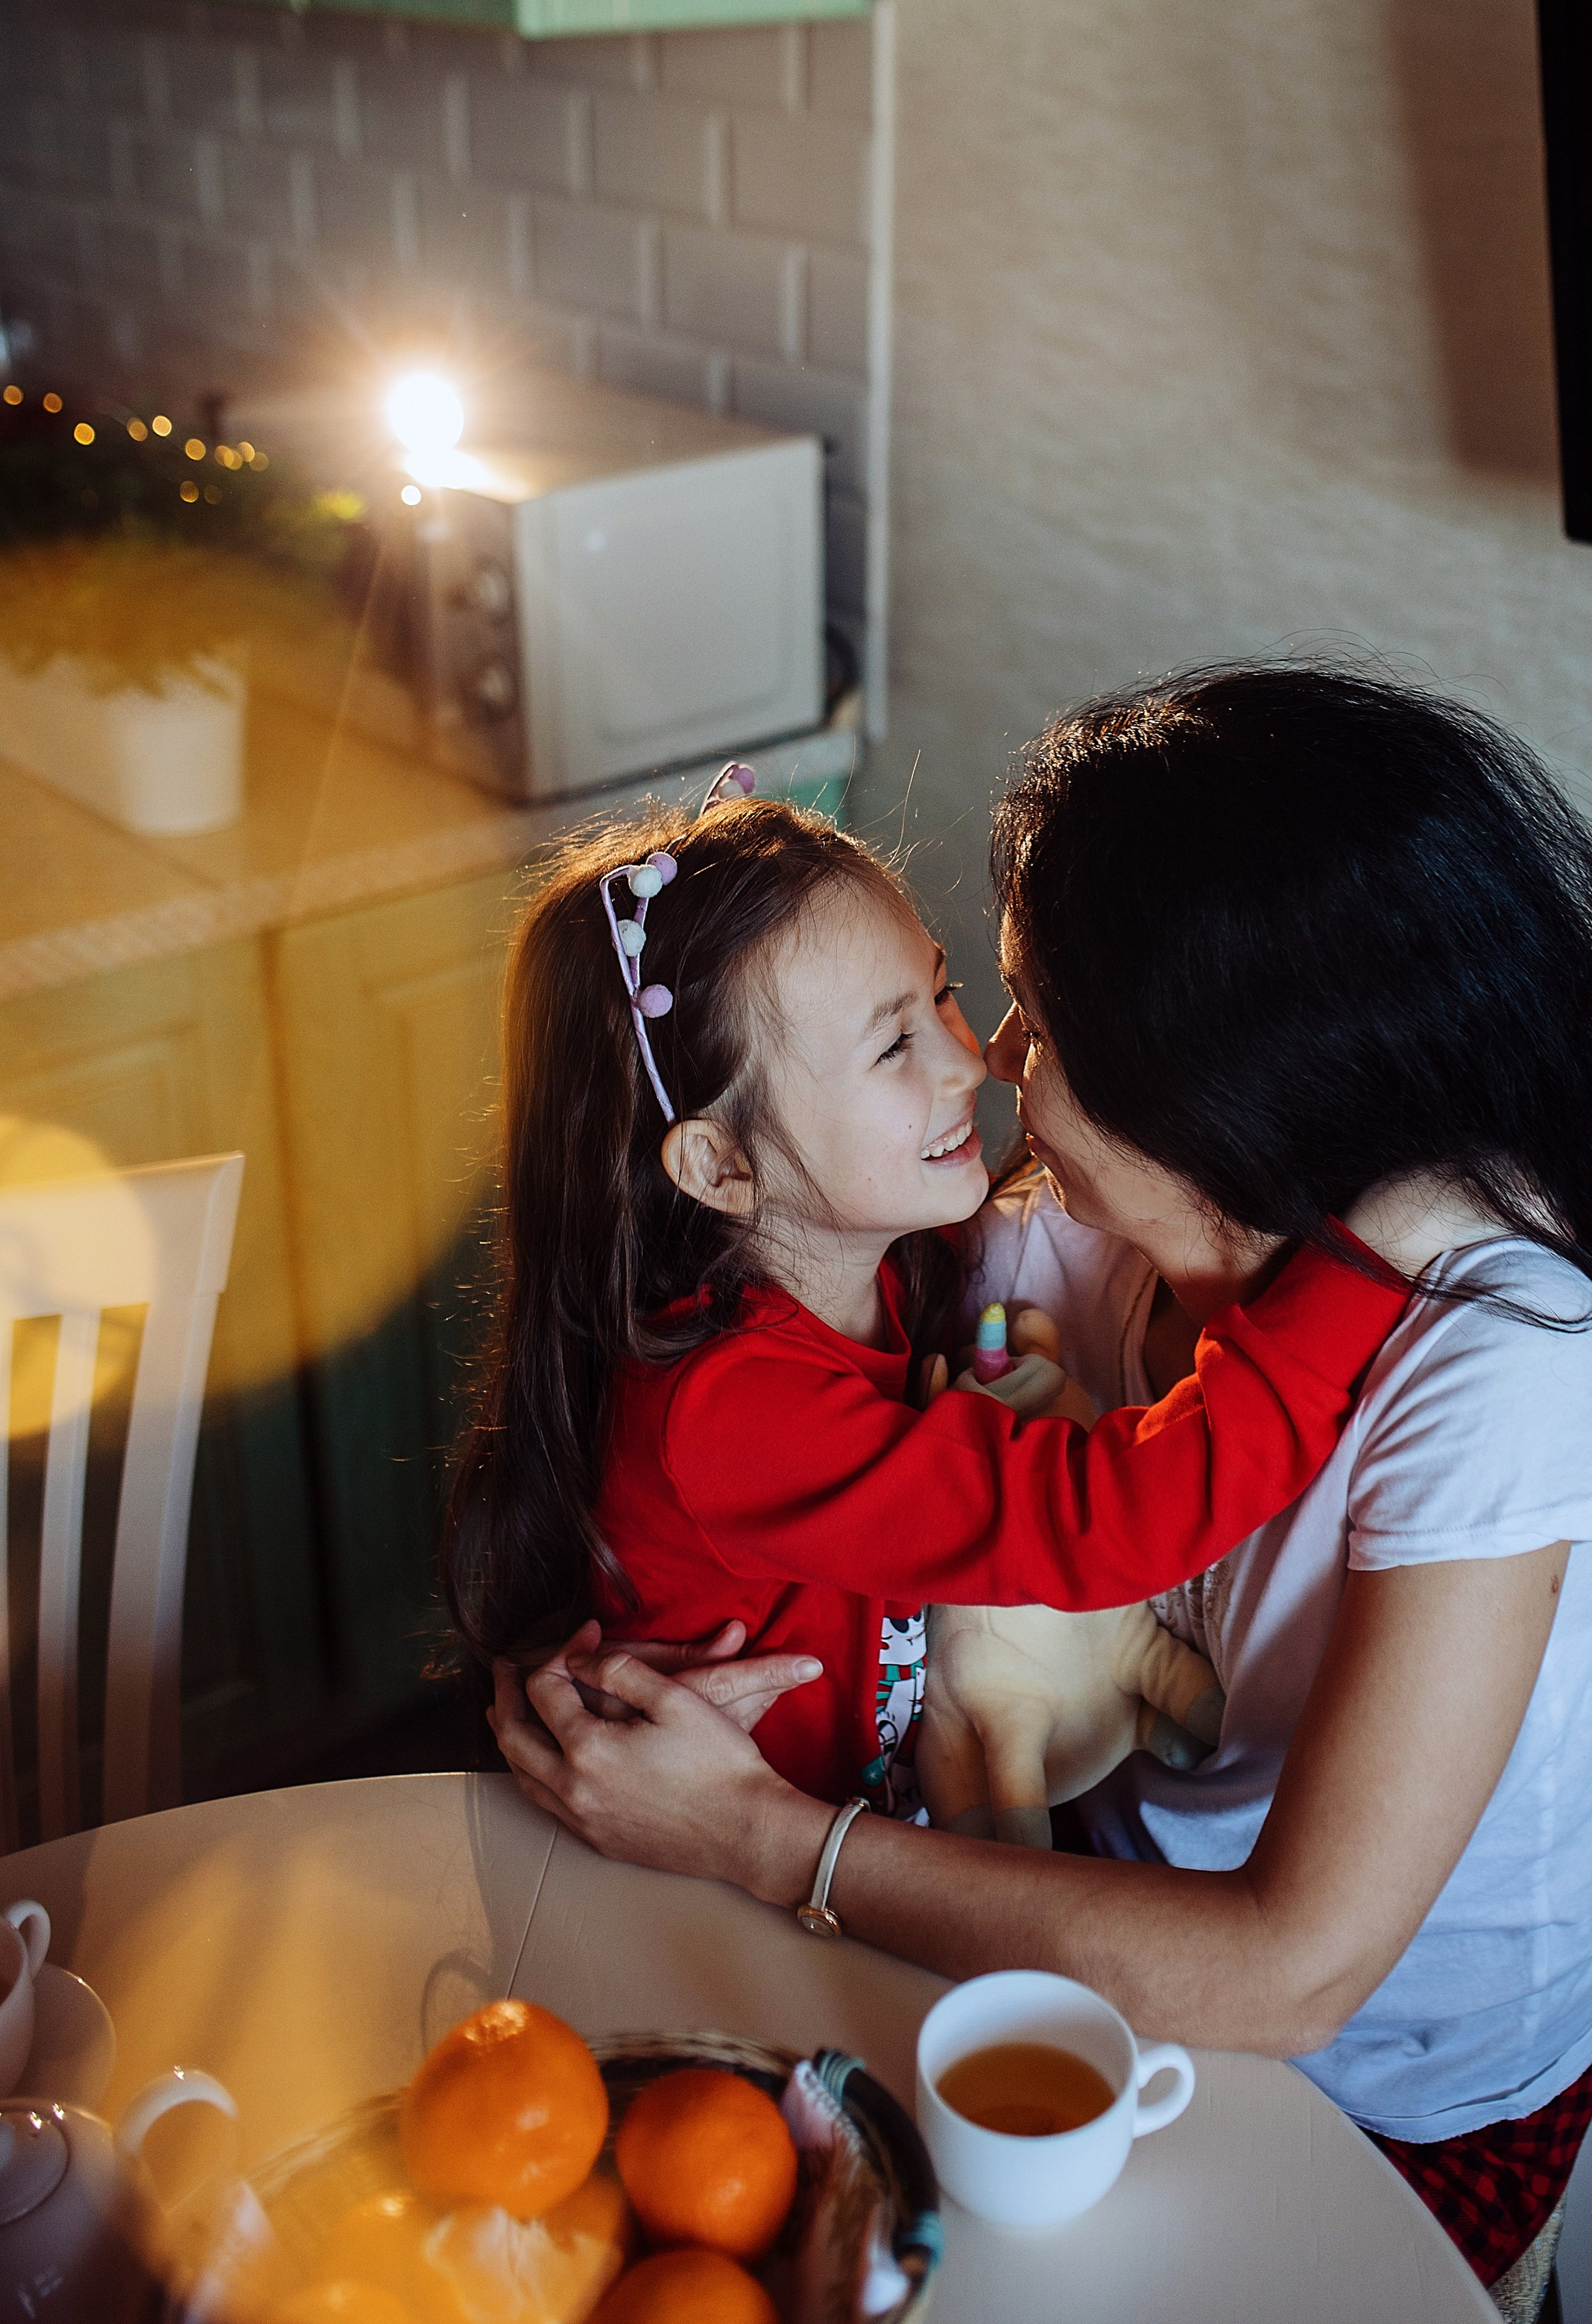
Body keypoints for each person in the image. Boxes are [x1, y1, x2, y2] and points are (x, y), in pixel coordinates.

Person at [487, 669, 1592, 2324]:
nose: (994, 1064)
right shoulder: (1040, 1242)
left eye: (1027, 1009)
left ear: (1218, 1070)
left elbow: (1292, 1972)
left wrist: (757, 1837)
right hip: (1069, 1915)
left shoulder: (1491, 1358)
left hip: (1368, 2090)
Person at [443, 761, 1448, 1823]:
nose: (972, 1064)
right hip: (714, 1886)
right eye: (893, 1045)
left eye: (941, 994)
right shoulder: (728, 1413)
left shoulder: (884, 1267)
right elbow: (1106, 1520)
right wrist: (1361, 1259)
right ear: (722, 1168)